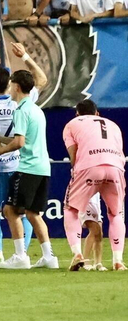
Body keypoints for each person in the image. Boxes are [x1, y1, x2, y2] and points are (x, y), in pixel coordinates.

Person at [0, 70, 59, 270]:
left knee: (10, 210)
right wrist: (1, 139)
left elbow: (20, 142)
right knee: (33, 213)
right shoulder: (37, 110)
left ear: (17, 87)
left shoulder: (20, 110)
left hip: (27, 168)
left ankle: (20, 256)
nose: (10, 88)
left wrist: (2, 150)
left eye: (12, 84)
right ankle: (49, 256)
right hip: (42, 168)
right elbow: (27, 139)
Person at [60, 99, 125, 271]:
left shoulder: (72, 124)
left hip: (89, 167)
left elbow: (73, 156)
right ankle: (118, 261)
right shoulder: (113, 125)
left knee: (70, 208)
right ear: (97, 113)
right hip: (116, 168)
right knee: (116, 214)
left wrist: (77, 173)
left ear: (77, 114)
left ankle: (77, 254)